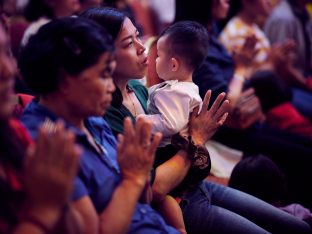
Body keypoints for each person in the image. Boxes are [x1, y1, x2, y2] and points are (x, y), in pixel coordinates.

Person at [83, 7, 312, 234]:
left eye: (137, 37)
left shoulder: (138, 89)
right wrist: (197, 138)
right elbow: (157, 186)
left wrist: (193, 138)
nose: (143, 47)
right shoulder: (108, 113)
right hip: (179, 203)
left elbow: (179, 132)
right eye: (129, 43)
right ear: (104, 55)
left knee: (298, 227)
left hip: (195, 185)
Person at [19, 16, 181, 234]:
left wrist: (139, 174)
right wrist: (133, 179)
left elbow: (145, 201)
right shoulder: (46, 142)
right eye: (104, 75)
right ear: (66, 80)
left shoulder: (93, 119)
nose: (110, 87)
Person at [175, 0, 312, 210]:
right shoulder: (193, 43)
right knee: (302, 157)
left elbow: (242, 88)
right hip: (229, 132)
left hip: (249, 120)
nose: (226, 1)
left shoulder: (210, 34)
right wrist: (242, 69)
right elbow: (229, 106)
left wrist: (246, 78)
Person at [0, 18, 82, 234]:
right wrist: (45, 207)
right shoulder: (38, 127)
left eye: (7, 53)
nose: (9, 70)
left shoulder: (13, 132)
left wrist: (59, 196)